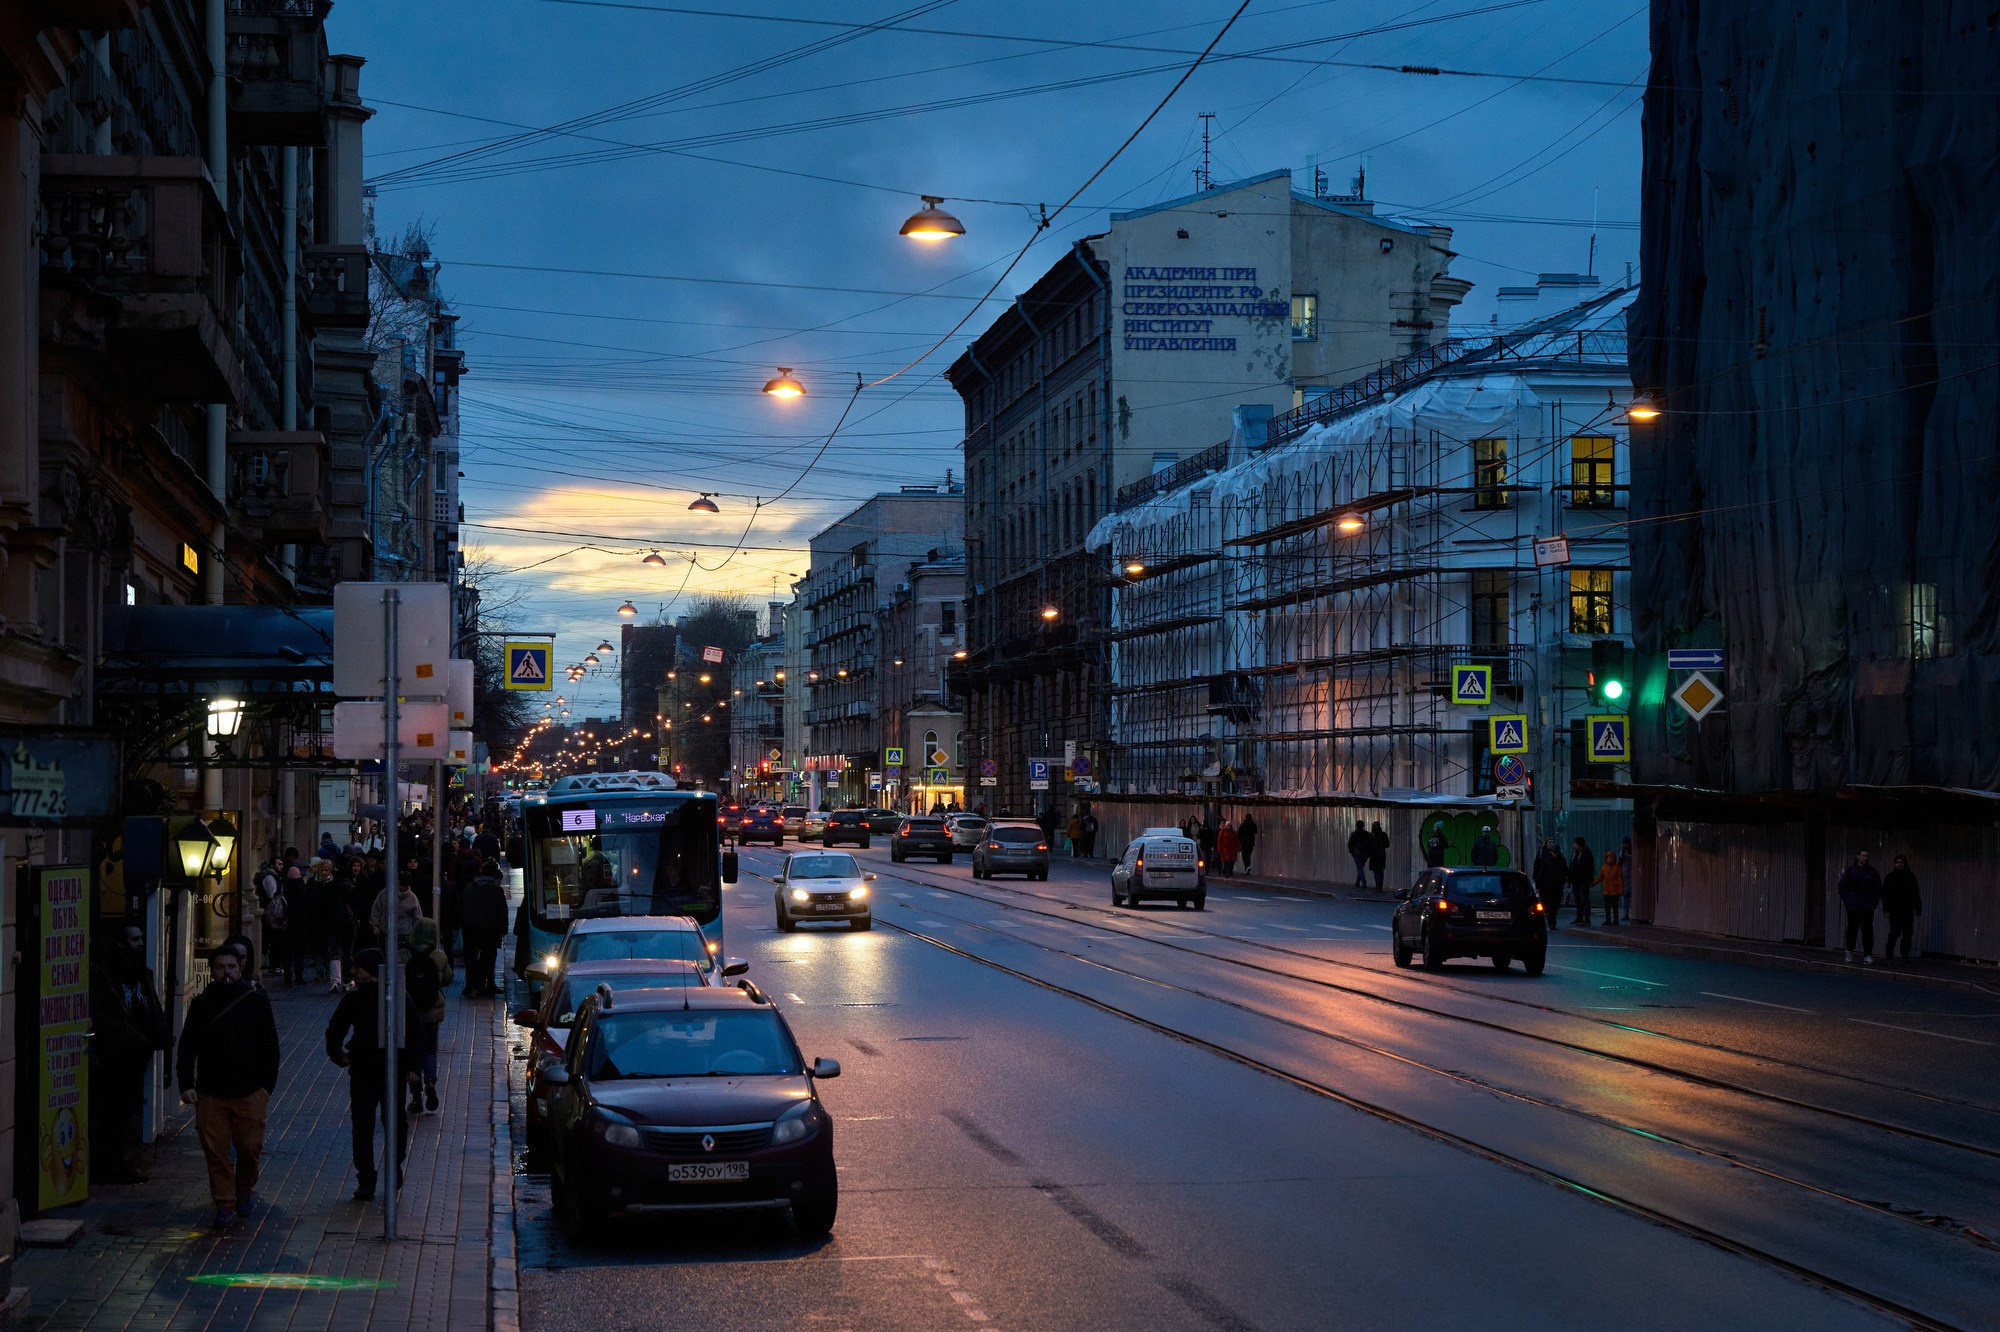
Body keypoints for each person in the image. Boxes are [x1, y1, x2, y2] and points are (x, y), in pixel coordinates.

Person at [177, 945, 280, 1232]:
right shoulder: (202, 1004)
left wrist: (265, 1088)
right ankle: (224, 1204)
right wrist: (186, 1084)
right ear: (212, 971)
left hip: (249, 1091)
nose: (227, 972)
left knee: (249, 1146)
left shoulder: (256, 1000)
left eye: (232, 967)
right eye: (221, 967)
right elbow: (187, 1047)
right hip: (211, 1091)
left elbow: (270, 1046)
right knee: (216, 1151)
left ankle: (244, 1186)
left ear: (240, 968)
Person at [326, 948, 415, 1201]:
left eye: (359, 967)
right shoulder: (356, 999)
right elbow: (335, 1029)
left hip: (389, 1070)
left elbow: (414, 1033)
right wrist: (338, 1055)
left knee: (390, 1123)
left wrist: (411, 1067)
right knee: (366, 1124)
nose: (353, 971)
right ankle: (367, 1177)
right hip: (367, 1070)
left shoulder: (396, 997)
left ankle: (389, 1170)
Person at [89, 924, 169, 1184]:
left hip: (137, 1050)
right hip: (118, 1052)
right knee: (112, 1110)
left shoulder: (140, 971)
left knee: (123, 1111)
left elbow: (150, 1005)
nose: (141, 943)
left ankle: (114, 1162)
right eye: (135, 939)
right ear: (121, 943)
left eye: (141, 938)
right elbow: (102, 1013)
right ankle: (107, 1163)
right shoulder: (107, 974)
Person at [403, 920, 449, 1115]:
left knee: (411, 1053)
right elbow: (447, 977)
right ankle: (430, 1080)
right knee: (430, 1049)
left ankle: (415, 1096)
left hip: (408, 1012)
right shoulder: (439, 956)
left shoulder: (403, 955)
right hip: (432, 1013)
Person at [461, 858, 509, 998]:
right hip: (489, 929)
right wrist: (502, 930)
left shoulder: (469, 887)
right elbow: (502, 910)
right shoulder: (496, 889)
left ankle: (470, 984)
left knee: (470, 957)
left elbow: (463, 907)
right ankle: (489, 983)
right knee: (489, 956)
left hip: (470, 928)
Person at [1837, 849, 1882, 965]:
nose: (1865, 858)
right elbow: (1842, 888)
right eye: (1863, 856)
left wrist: (1873, 902)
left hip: (1867, 906)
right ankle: (1849, 951)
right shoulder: (1851, 871)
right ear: (1858, 856)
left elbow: (1877, 888)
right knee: (1852, 929)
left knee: (1867, 930)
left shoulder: (1871, 872)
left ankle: (1867, 954)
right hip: (1854, 906)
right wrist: (1849, 902)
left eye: (1867, 856)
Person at [1880, 854, 1922, 962]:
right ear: (1895, 863)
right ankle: (1889, 953)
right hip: (1895, 910)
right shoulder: (1890, 877)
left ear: (1904, 863)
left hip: (1907, 910)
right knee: (1894, 933)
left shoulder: (1911, 877)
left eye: (1901, 862)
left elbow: (1915, 893)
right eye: (1898, 862)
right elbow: (1885, 894)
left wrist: (1918, 908)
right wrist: (1886, 908)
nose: (1899, 864)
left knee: (1907, 934)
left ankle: (1904, 955)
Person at [370, 876, 423, 949]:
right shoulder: (386, 892)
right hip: (385, 933)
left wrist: (416, 934)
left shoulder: (413, 898)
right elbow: (376, 908)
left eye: (405, 886)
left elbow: (417, 917)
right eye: (401, 885)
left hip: (403, 936)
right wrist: (375, 925)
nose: (402, 888)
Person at [1531, 838, 1567, 929]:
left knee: (1556, 904)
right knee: (1550, 904)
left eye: (1556, 852)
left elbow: (1565, 872)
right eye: (1553, 852)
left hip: (1558, 886)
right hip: (1548, 887)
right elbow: (1541, 872)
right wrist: (1538, 884)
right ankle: (1552, 921)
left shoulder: (1562, 861)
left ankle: (1551, 919)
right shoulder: (1546, 860)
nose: (1555, 854)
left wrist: (1565, 880)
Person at [1567, 837, 1596, 925]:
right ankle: (1579, 917)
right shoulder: (1575, 854)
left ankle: (1586, 918)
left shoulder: (1586, 853)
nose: (1573, 845)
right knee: (1577, 899)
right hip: (1575, 880)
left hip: (1584, 880)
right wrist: (1569, 878)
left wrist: (1589, 879)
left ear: (1579, 844)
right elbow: (1571, 866)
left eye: (1575, 843)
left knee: (1585, 899)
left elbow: (1591, 867)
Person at [1595, 850, 1627, 925]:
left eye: (1611, 858)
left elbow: (1620, 879)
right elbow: (1601, 876)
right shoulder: (1604, 867)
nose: (1609, 859)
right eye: (1608, 858)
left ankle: (1615, 920)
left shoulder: (1617, 867)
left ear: (1614, 858)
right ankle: (1608, 920)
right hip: (1607, 890)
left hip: (1614, 890)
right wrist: (1594, 882)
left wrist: (1621, 889)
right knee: (1607, 907)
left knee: (1614, 906)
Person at [1347, 821, 1371, 888]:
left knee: (1359, 868)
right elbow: (1370, 844)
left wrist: (1352, 852)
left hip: (1357, 853)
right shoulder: (1367, 834)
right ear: (1363, 826)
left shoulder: (1354, 834)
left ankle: (1363, 882)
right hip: (1365, 854)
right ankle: (1357, 882)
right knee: (1360, 867)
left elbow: (1350, 844)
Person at [1367, 820, 1390, 890]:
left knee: (1376, 871)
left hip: (1373, 855)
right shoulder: (1383, 835)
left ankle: (1378, 886)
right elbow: (1387, 845)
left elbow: (1367, 845)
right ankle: (1380, 886)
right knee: (1381, 871)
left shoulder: (1370, 835)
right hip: (1381, 854)